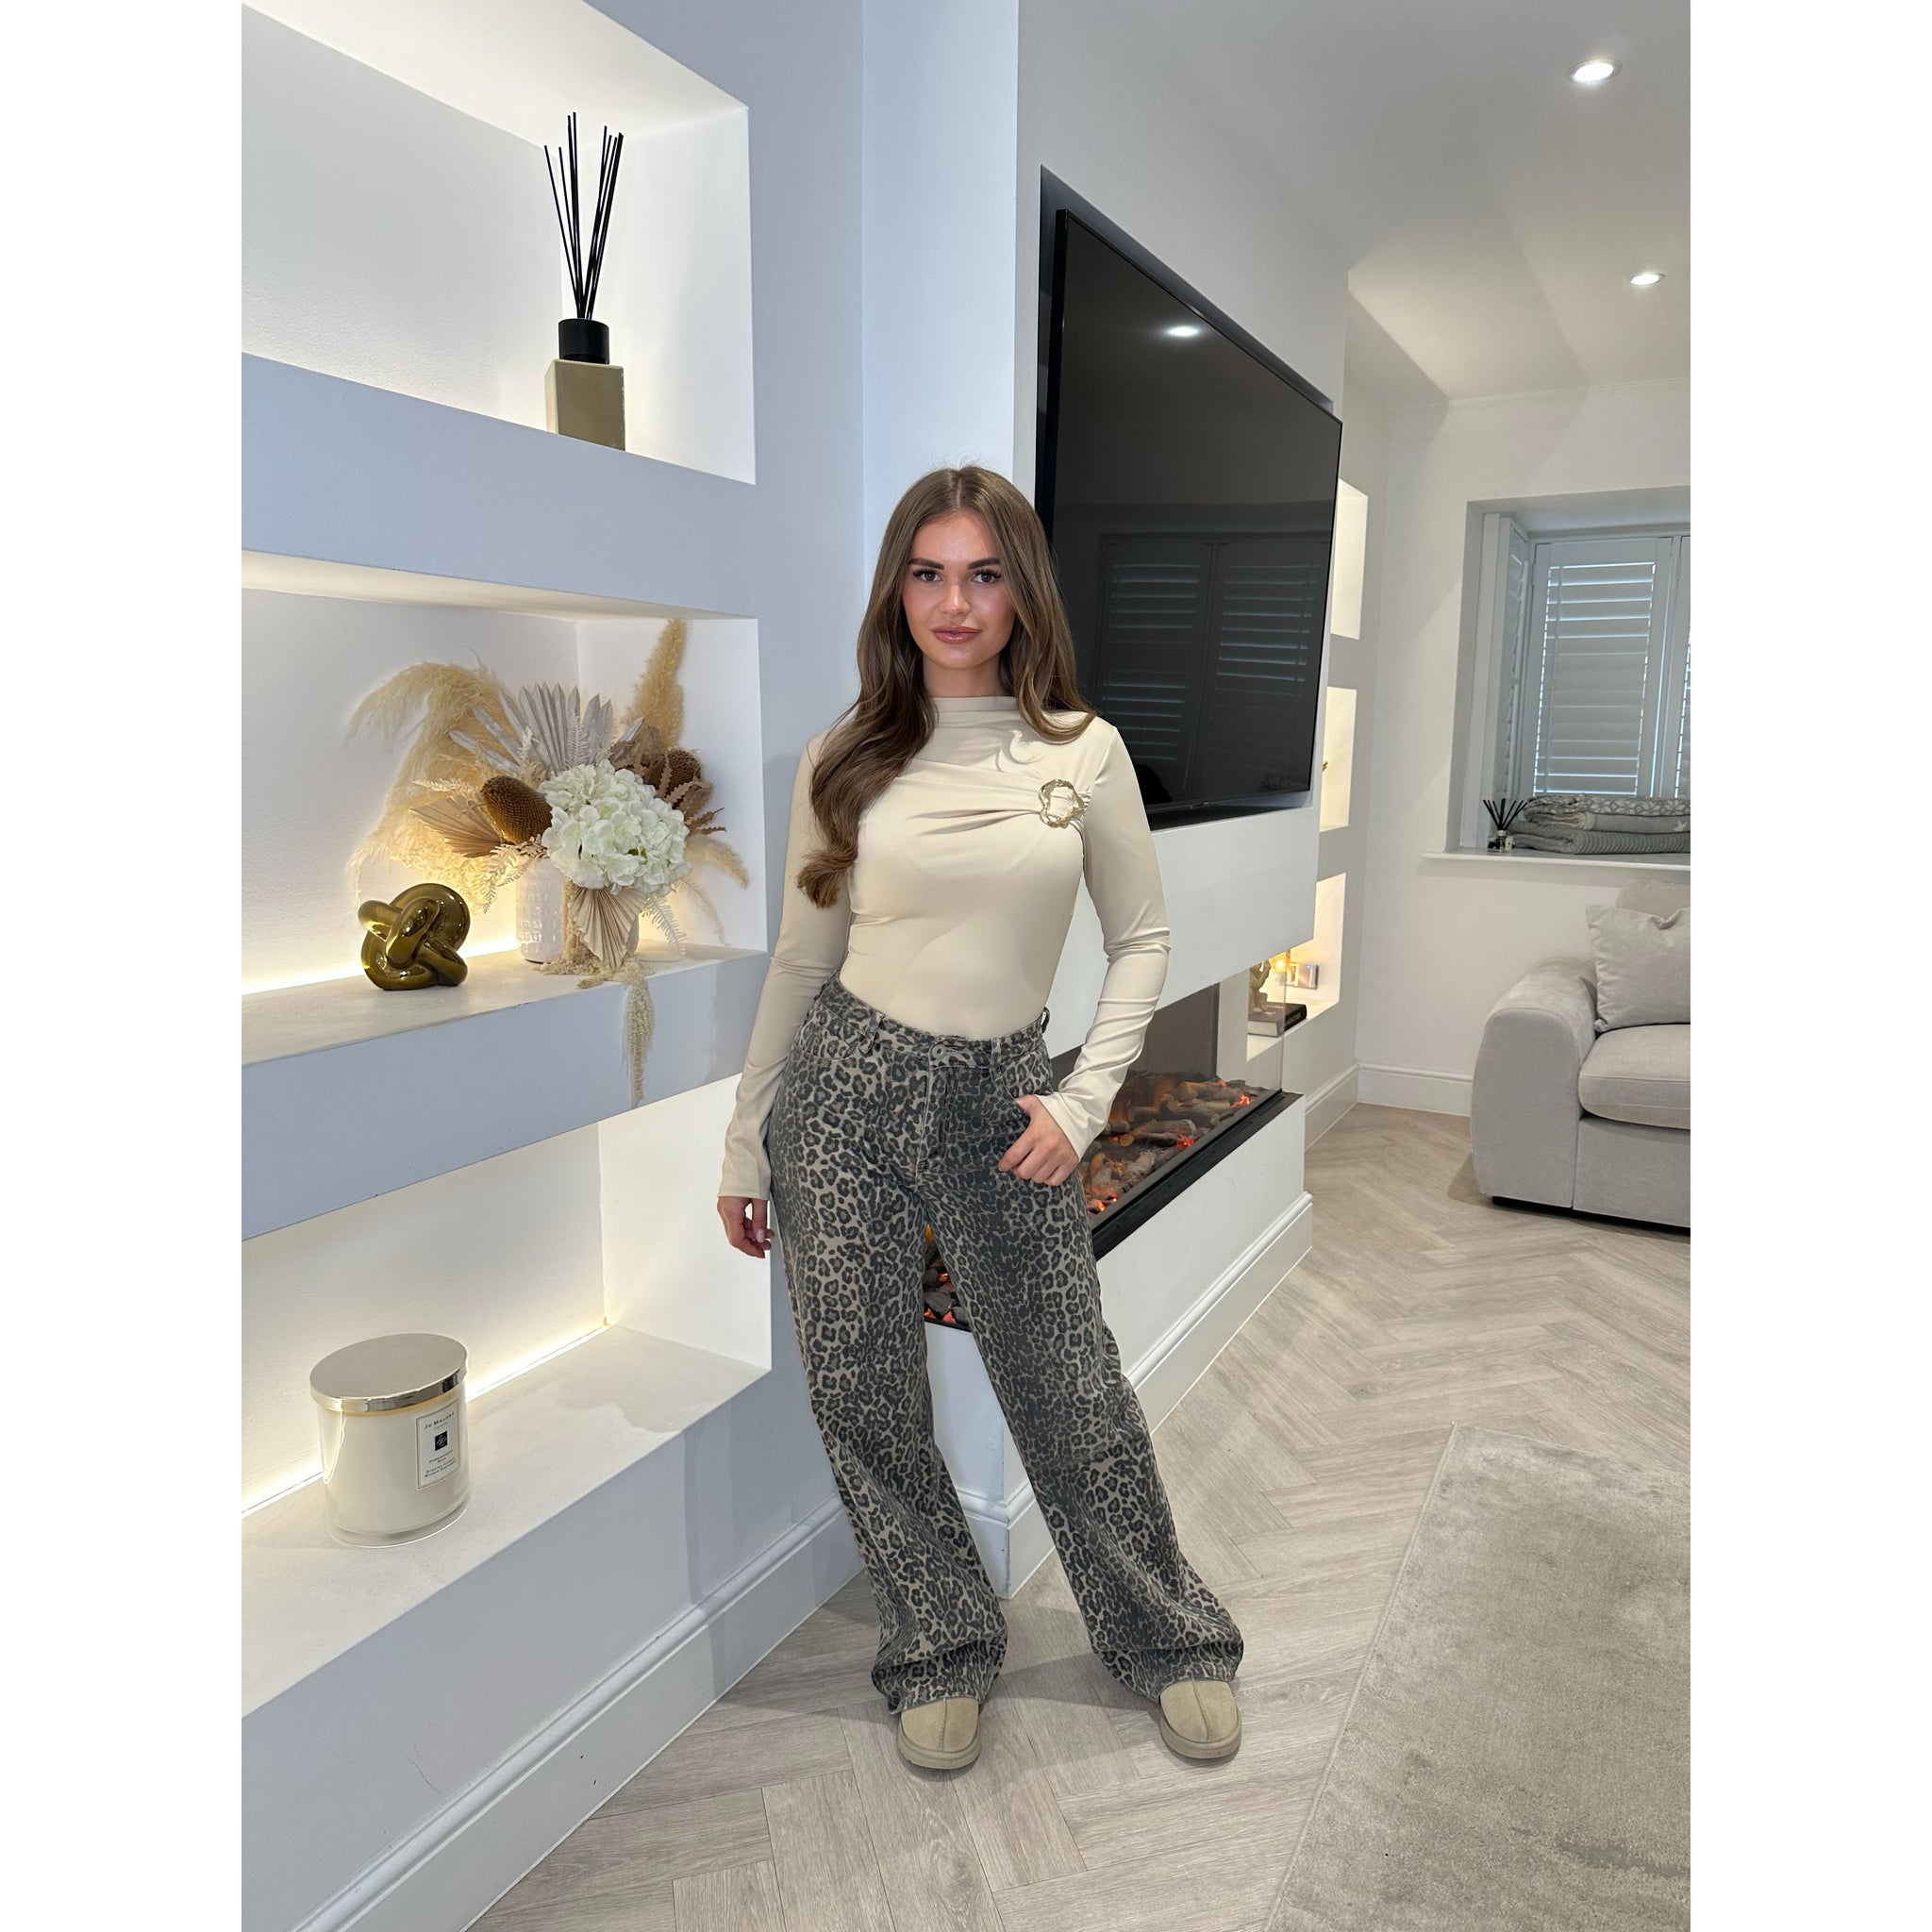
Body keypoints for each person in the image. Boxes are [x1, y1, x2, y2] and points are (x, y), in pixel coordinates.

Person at [716, 465, 1244, 1774]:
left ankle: (1167, 1636)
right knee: (863, 1391)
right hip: (841, 1096)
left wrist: (1082, 1099)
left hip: (1005, 1103)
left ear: (1022, 592)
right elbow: (801, 958)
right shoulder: (846, 757)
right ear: (897, 591)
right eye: (928, 573)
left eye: (984, 573)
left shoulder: (1083, 752)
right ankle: (938, 1643)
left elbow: (1143, 939)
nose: (955, 602)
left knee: (1068, 1386)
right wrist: (745, 1141)